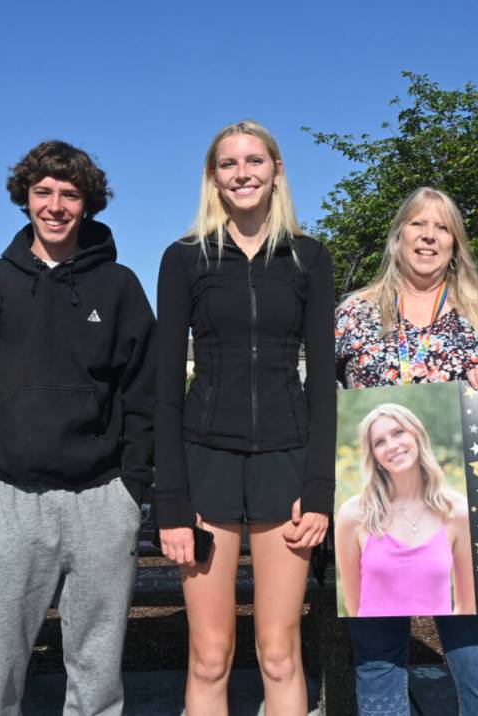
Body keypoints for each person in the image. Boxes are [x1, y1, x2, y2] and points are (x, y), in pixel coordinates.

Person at [0, 140, 156, 715]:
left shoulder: (119, 285)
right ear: (24, 198)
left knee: (97, 662)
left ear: (89, 204)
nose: (55, 205)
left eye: (69, 194)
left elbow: (145, 389)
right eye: (43, 192)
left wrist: (133, 487)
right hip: (10, 498)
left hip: (101, 498)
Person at [155, 120, 335, 715]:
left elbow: (324, 387)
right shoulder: (184, 259)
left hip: (286, 468)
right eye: (228, 164)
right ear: (214, 178)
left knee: (279, 652)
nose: (243, 174)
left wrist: (319, 490)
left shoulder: (310, 258)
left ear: (276, 171)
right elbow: (164, 386)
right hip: (205, 466)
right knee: (210, 654)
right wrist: (172, 500)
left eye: (254, 161)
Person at [335, 187, 478, 715]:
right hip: (375, 520)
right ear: (398, 236)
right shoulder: (353, 314)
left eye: (442, 228)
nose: (429, 236)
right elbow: (315, 399)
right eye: (418, 225)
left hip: (463, 512)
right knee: (377, 674)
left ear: (455, 244)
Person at [336, 403, 475, 617]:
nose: (391, 445)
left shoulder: (457, 511)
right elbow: (354, 609)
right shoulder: (353, 515)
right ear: (374, 457)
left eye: (398, 433)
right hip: (380, 643)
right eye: (379, 442)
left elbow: (467, 607)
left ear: (417, 436)